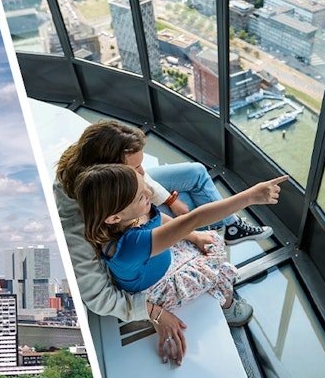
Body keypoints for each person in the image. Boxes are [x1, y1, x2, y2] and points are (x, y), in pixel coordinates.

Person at [54, 120, 282, 364]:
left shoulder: (115, 201)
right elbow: (100, 298)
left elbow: (154, 212)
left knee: (195, 175)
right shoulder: (91, 231)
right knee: (212, 268)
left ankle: (230, 226)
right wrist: (155, 313)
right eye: (137, 171)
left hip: (146, 250)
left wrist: (173, 208)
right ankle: (227, 303)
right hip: (151, 280)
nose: (148, 183)